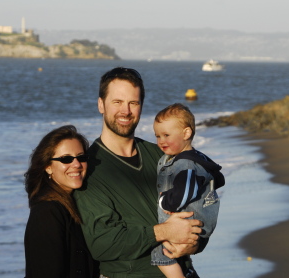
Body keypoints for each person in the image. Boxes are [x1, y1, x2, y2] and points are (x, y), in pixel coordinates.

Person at [74, 67, 205, 278]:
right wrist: (164, 232)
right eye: (117, 102)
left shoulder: (161, 156)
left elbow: (198, 207)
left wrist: (194, 243)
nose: (125, 111)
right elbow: (102, 243)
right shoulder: (89, 169)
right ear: (101, 104)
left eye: (133, 103)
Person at [151, 103, 221, 278]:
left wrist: (164, 201)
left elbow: (184, 192)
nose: (161, 141)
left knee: (159, 253)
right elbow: (217, 178)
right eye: (158, 136)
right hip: (195, 223)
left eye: (167, 135)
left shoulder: (185, 164)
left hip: (190, 223)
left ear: (186, 133)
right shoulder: (196, 158)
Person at [24, 125, 99, 278]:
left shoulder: (75, 202)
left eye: (81, 157)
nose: (76, 164)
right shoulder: (47, 212)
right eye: (66, 159)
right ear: (48, 167)